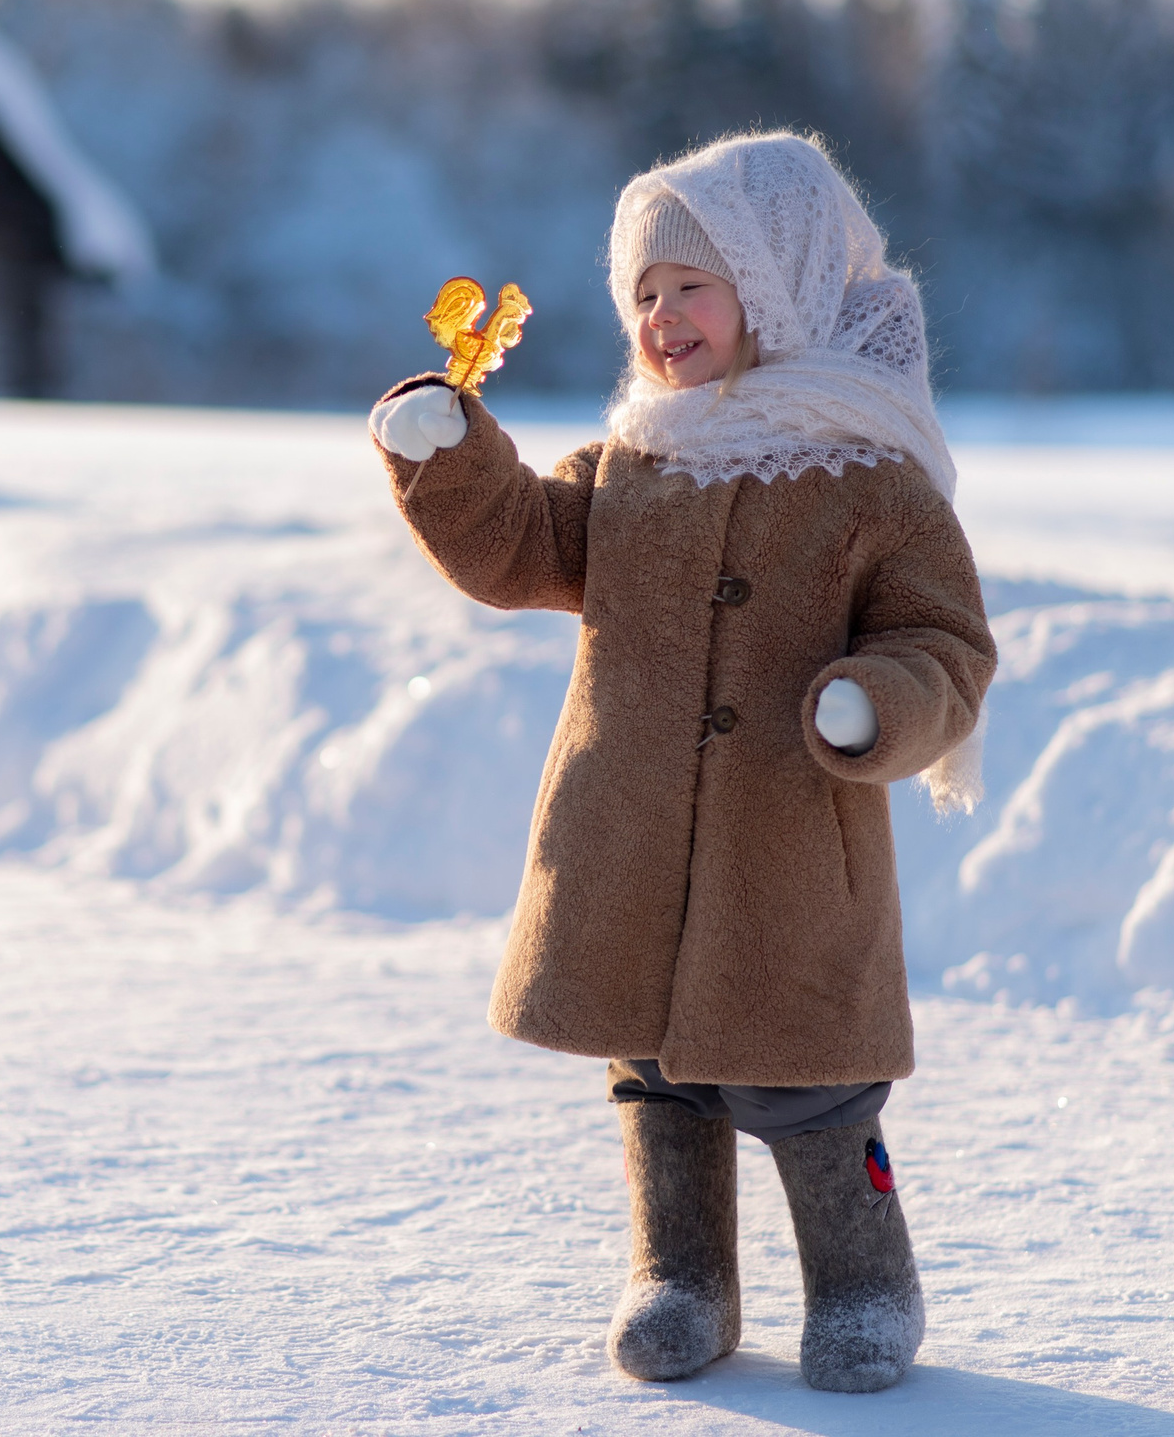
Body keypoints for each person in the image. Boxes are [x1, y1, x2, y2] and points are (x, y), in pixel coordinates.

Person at [368, 131, 996, 1394]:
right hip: (634, 838)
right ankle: (680, 1273)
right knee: (655, 1073)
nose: (660, 317)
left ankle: (867, 1280)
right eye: (641, 293)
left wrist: (876, 700)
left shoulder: (872, 473)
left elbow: (942, 638)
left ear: (777, 287)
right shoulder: (634, 464)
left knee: (808, 1084)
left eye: (690, 285)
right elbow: (523, 545)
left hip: (787, 846)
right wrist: (449, 457)